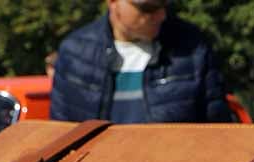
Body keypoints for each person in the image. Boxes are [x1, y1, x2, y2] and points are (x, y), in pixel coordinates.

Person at [50, 0, 230, 123]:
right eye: (148, 8)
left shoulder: (193, 49)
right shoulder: (75, 54)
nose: (161, 16)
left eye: (163, 4)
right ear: (113, 2)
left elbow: (218, 130)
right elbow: (60, 139)